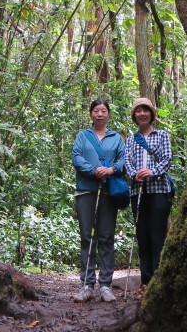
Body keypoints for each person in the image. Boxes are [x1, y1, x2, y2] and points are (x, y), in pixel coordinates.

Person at [71, 99, 125, 303]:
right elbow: (76, 157)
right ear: (91, 114)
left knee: (106, 236)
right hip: (86, 191)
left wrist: (111, 170)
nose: (100, 114)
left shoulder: (116, 138)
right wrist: (93, 171)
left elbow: (123, 159)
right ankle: (87, 284)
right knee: (87, 237)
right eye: (96, 111)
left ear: (108, 114)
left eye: (103, 111)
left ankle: (105, 285)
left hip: (108, 193)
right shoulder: (82, 136)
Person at [124, 97, 173, 286]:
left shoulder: (162, 136)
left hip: (159, 191)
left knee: (157, 235)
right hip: (138, 192)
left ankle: (157, 280)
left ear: (151, 114)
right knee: (142, 235)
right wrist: (134, 173)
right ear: (135, 115)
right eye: (138, 111)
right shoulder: (131, 140)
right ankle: (145, 280)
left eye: (145, 110)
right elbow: (127, 162)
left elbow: (167, 159)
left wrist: (152, 172)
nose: (142, 114)